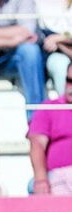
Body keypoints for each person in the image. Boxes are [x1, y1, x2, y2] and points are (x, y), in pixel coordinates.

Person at [29, 63, 72, 195]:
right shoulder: (49, 107)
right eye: (69, 80)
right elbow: (37, 144)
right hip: (55, 177)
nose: (71, 87)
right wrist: (41, 179)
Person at [36, 0, 72, 94]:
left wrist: (59, 38)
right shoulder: (37, 3)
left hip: (61, 45)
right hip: (50, 51)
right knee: (59, 65)